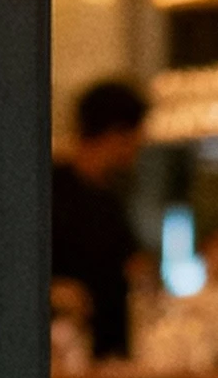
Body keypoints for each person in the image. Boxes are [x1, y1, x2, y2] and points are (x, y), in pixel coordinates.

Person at [51, 79, 150, 359]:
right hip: (60, 357)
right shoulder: (48, 190)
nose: (139, 148)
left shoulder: (111, 197)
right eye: (137, 136)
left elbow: (134, 266)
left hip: (109, 357)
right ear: (116, 134)